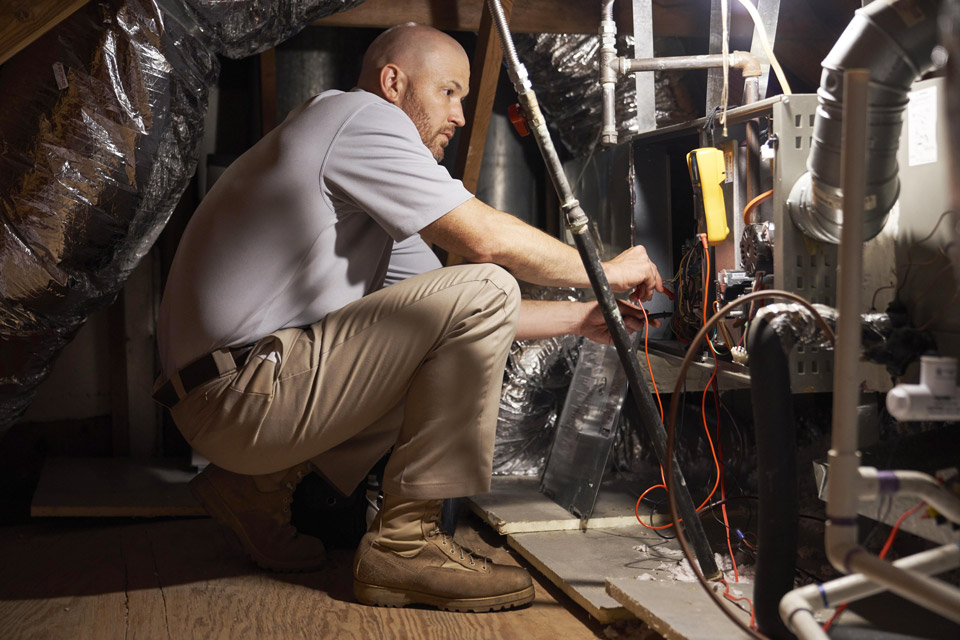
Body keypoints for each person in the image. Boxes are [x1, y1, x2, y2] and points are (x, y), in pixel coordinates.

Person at [154, 23, 662, 612]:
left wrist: (581, 320)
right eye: (449, 92)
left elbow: (467, 317)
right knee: (487, 281)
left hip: (229, 398)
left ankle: (255, 487)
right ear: (393, 83)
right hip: (240, 394)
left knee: (460, 314)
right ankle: (407, 545)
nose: (461, 116)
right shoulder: (356, 116)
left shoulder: (361, 193)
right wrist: (605, 269)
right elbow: (485, 248)